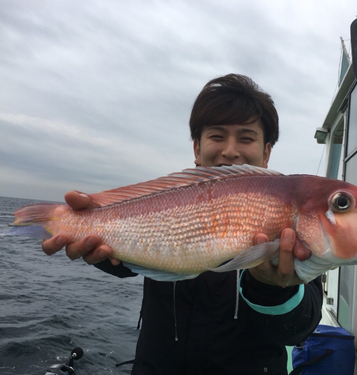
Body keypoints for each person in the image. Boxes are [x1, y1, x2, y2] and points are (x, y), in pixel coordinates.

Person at [42, 74, 323, 375]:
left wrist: (273, 289)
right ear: (196, 149)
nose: (230, 150)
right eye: (217, 136)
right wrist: (91, 237)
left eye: (246, 137)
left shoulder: (291, 213)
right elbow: (128, 257)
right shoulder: (170, 201)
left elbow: (298, 331)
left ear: (266, 152)